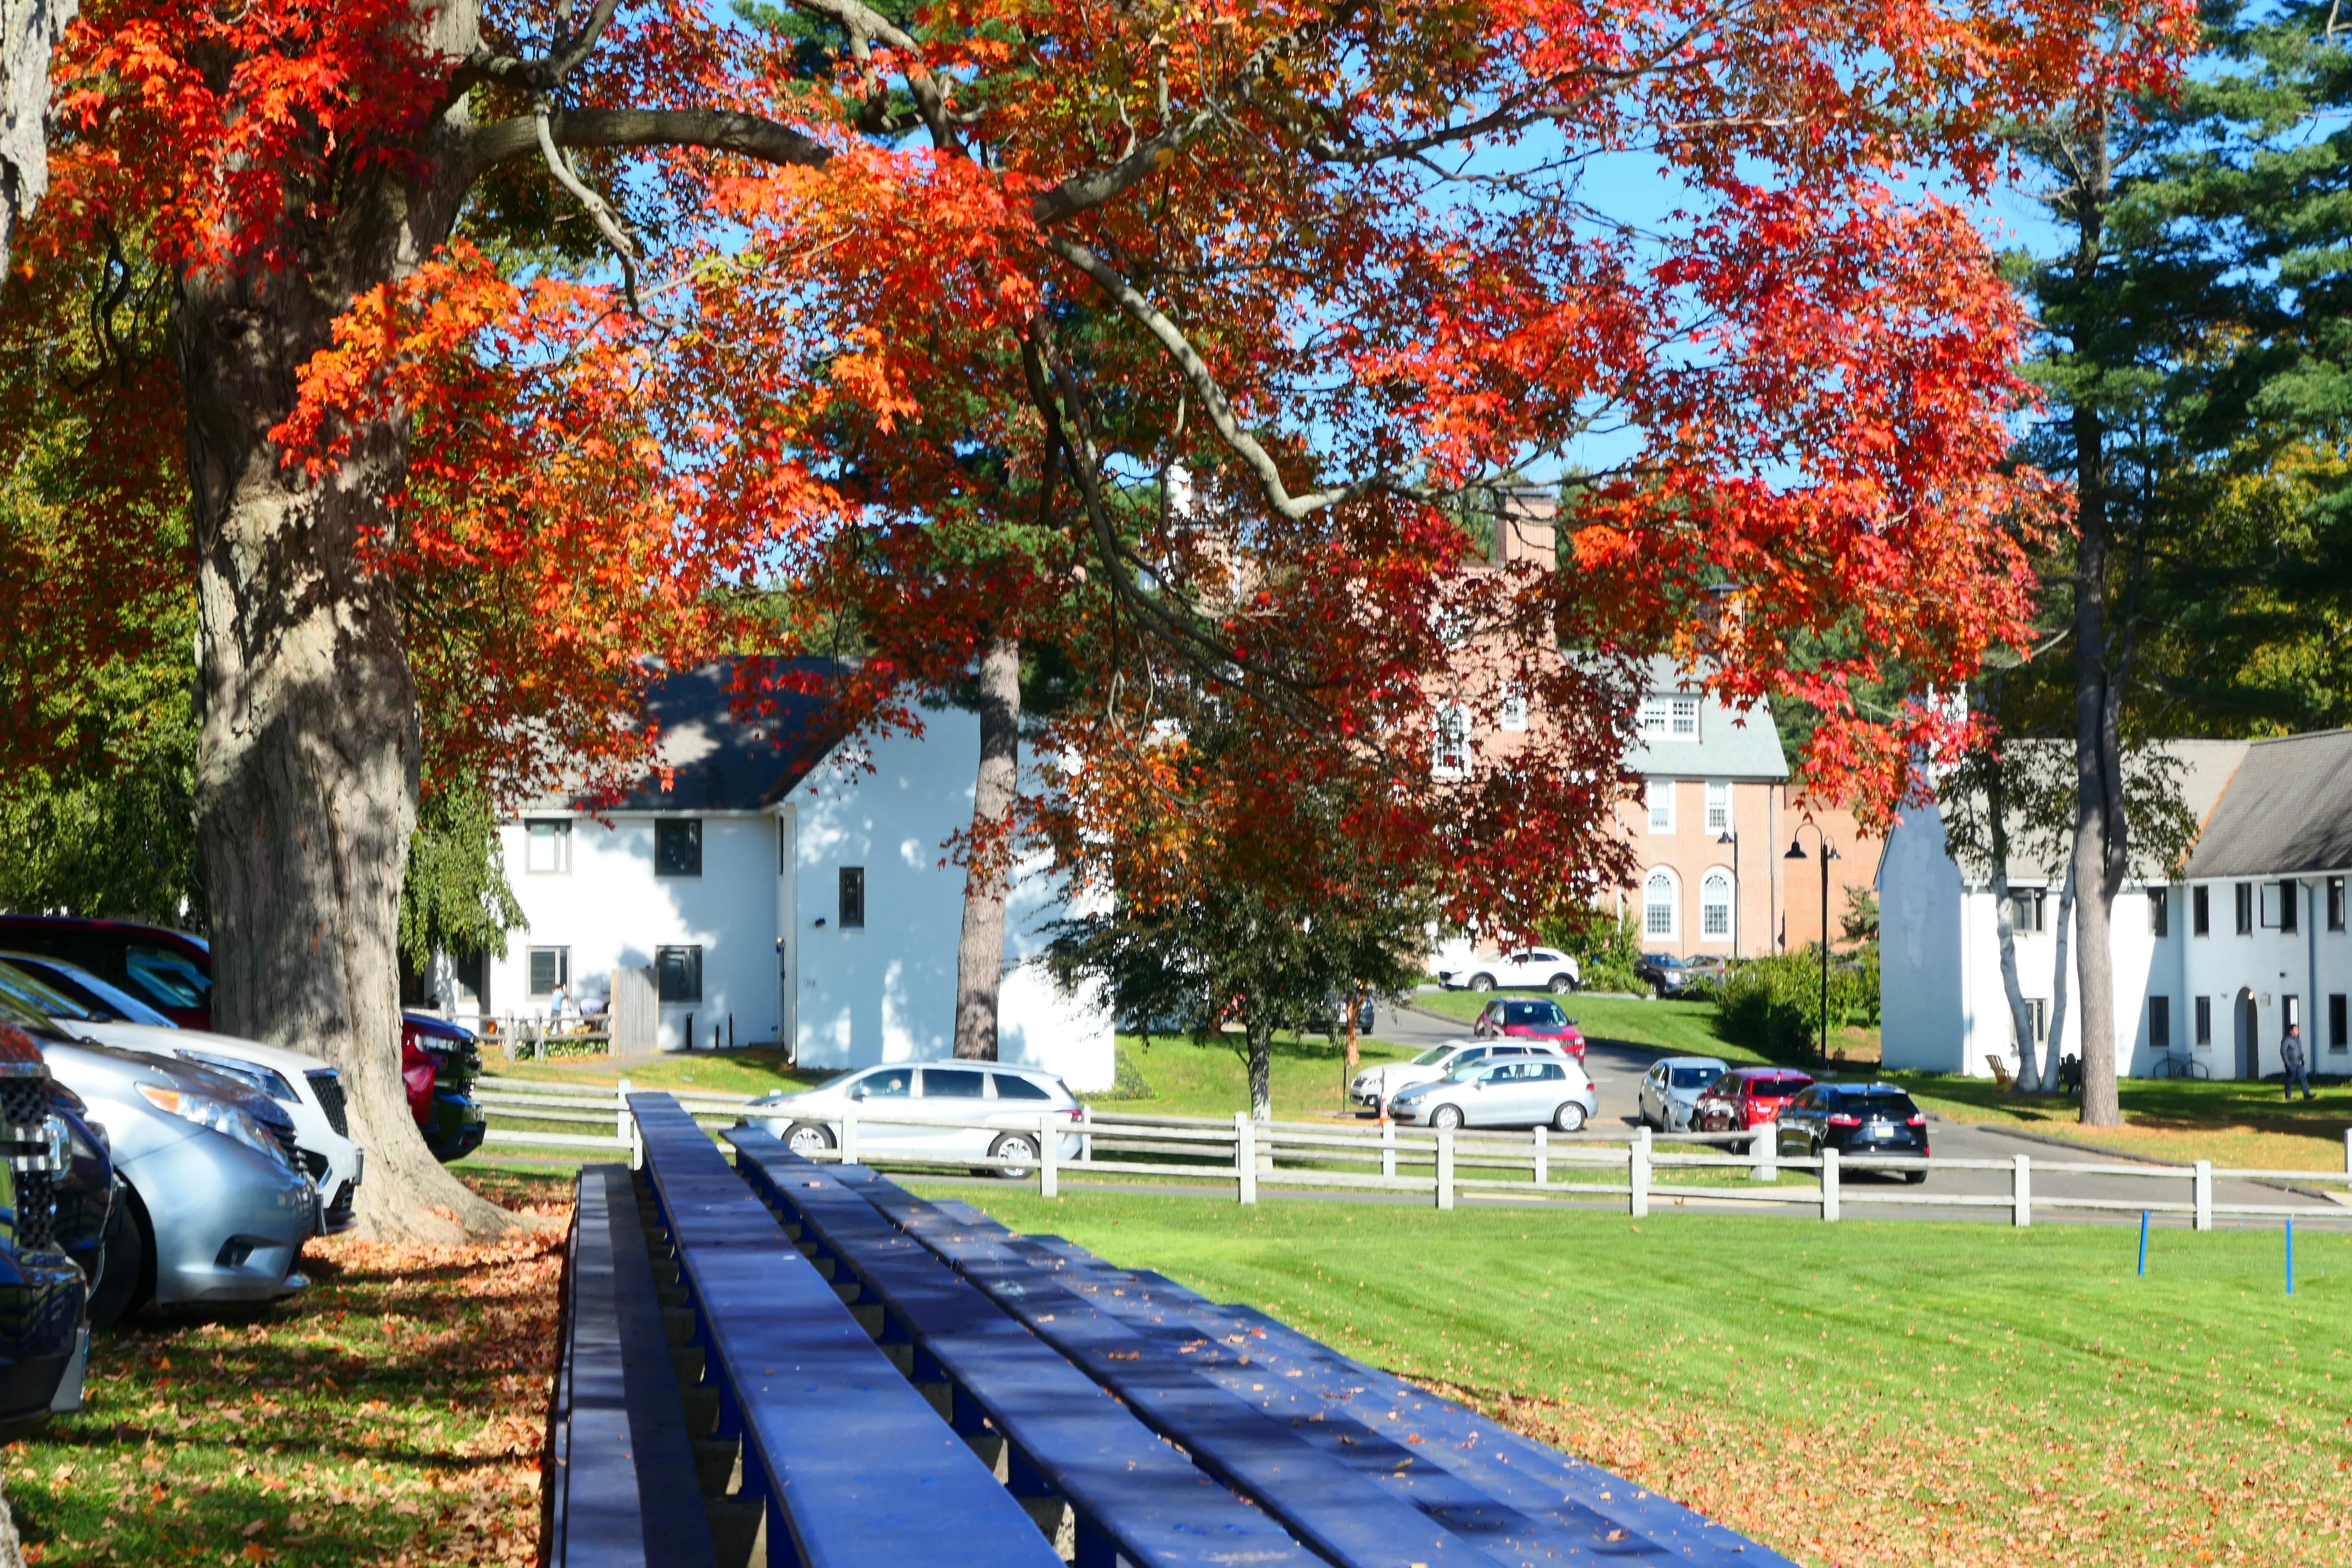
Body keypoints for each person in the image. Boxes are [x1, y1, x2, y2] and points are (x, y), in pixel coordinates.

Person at [2281, 1022, 2312, 1102]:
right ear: (2291, 1031)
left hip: (2299, 1064)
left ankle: (2307, 1095)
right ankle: (2288, 1096)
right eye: (2296, 1030)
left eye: (2298, 1030)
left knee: (2303, 1078)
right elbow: (2283, 1052)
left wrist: (2302, 1060)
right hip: (2291, 1064)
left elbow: (2300, 1051)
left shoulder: (2298, 1040)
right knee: (2290, 1080)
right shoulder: (2286, 1040)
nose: (2298, 1031)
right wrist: (2287, 1064)